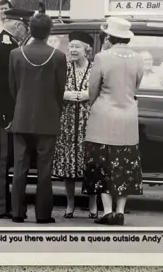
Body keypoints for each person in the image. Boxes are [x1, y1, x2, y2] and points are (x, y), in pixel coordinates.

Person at [83, 17, 144, 226]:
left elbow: (93, 89)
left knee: (103, 163)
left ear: (109, 36)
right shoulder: (138, 58)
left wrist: (93, 105)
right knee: (124, 163)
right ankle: (121, 211)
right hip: (128, 116)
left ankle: (107, 210)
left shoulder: (101, 57)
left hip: (104, 115)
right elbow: (136, 85)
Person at [8, 13, 67, 224]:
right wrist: (53, 109)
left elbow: (13, 88)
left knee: (20, 167)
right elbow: (60, 90)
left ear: (29, 30)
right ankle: (43, 214)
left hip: (22, 116)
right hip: (48, 118)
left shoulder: (15, 54)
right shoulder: (58, 57)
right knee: (44, 170)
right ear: (49, 31)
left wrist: (21, 106)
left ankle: (17, 212)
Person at [0, 8, 34, 219]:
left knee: (2, 161)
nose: (27, 31)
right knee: (2, 161)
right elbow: (3, 87)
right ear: (18, 25)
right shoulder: (4, 47)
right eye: (26, 27)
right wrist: (7, 116)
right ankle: (0, 206)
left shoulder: (7, 44)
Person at [52, 31, 98, 219]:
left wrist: (89, 94)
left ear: (87, 49)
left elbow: (102, 89)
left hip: (89, 121)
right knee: (69, 165)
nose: (72, 50)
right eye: (70, 46)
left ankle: (93, 204)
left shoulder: (95, 68)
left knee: (90, 163)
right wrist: (65, 95)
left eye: (77, 46)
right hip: (68, 121)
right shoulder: (64, 67)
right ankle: (70, 203)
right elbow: (53, 88)